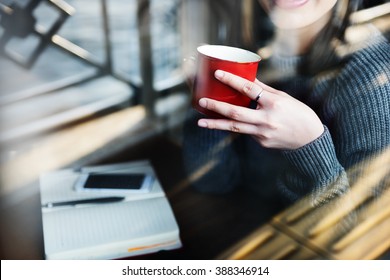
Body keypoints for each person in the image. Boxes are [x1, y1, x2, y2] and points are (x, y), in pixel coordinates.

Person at [182, 0, 390, 213]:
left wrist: (308, 148)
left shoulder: (374, 81)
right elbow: (213, 181)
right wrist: (208, 101)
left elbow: (355, 240)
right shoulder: (255, 49)